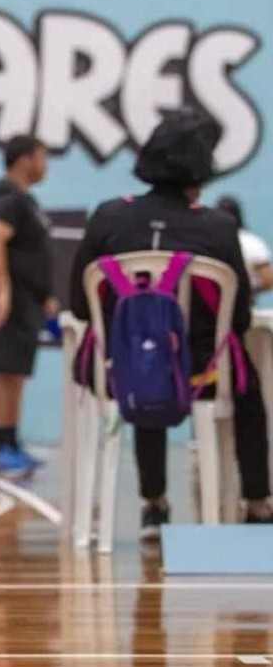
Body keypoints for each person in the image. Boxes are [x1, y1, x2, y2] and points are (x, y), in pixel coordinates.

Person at [69, 107, 273, 539]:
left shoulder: (106, 217)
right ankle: (257, 505)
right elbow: (236, 320)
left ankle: (154, 505)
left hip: (118, 376)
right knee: (247, 386)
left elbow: (81, 307)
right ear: (201, 175)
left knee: (146, 357)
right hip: (202, 376)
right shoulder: (218, 228)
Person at [0, 135, 56, 479]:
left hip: (27, 301)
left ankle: (12, 440)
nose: (46, 165)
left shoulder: (26, 200)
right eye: (42, 157)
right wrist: (3, 289)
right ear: (26, 160)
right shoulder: (7, 197)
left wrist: (45, 296)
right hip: (8, 301)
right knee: (2, 370)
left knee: (16, 372)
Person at [216, 196, 273, 297]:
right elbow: (268, 280)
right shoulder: (253, 243)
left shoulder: (210, 242)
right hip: (246, 302)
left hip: (211, 302)